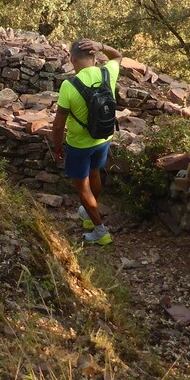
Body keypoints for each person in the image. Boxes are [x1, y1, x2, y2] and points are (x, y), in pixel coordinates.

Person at [50, 39, 123, 245]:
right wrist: (102, 46)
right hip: (104, 138)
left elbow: (57, 126)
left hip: (79, 145)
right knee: (95, 173)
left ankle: (100, 232)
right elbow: (117, 56)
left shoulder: (69, 86)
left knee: (83, 188)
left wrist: (57, 148)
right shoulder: (108, 72)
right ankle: (89, 213)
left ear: (73, 58)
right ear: (94, 56)